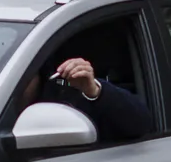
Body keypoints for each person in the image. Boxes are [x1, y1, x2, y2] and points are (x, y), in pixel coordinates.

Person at [21, 56, 154, 142]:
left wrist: (94, 91)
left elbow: (141, 123)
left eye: (24, 78)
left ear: (40, 77)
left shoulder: (65, 105)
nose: (18, 87)